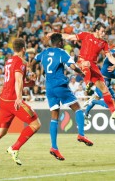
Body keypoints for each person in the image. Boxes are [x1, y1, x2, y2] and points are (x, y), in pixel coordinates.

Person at [0, 38, 41, 169]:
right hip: (13, 100)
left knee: (1, 131)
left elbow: (15, 80)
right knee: (36, 124)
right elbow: (18, 81)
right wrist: (19, 98)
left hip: (4, 100)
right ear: (23, 49)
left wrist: (31, 82)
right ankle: (14, 148)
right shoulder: (20, 62)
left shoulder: (9, 61)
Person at [31, 33, 92, 161]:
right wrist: (82, 73)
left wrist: (32, 72)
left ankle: (54, 147)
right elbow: (73, 66)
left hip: (49, 88)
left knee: (55, 116)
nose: (64, 43)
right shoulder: (61, 52)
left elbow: (33, 61)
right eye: (62, 41)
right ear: (59, 43)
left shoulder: (44, 52)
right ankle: (81, 134)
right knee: (78, 108)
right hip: (60, 86)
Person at [48, 22, 115, 119]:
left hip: (93, 66)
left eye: (104, 32)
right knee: (87, 64)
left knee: (104, 89)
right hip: (82, 62)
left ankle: (113, 112)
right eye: (102, 31)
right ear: (96, 30)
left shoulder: (104, 43)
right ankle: (88, 83)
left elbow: (109, 56)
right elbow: (69, 37)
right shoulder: (86, 35)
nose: (104, 33)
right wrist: (54, 34)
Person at [84, 37, 115, 118]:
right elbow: (112, 57)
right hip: (103, 81)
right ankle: (93, 102)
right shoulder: (113, 53)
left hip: (107, 82)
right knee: (110, 104)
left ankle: (86, 113)